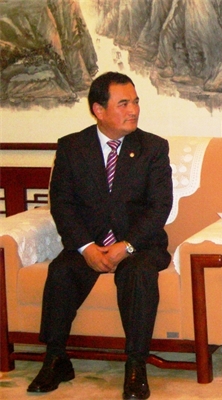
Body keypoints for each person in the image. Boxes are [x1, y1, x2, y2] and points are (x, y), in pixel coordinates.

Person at [27, 72, 173, 400]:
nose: (133, 110)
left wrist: (127, 245)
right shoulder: (72, 147)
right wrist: (84, 247)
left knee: (138, 274)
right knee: (61, 271)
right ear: (99, 110)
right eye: (123, 103)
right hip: (89, 242)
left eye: (135, 102)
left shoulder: (152, 148)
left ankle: (136, 365)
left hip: (140, 245)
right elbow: (62, 204)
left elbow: (160, 206)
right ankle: (56, 358)